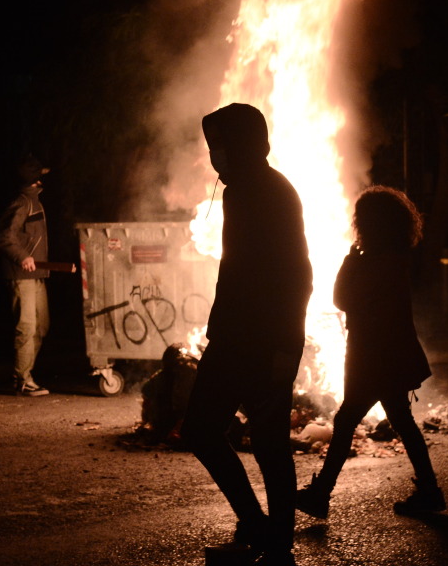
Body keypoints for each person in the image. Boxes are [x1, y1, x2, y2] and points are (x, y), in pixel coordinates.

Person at [181, 103, 312, 566]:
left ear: (239, 145)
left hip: (260, 341)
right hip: (235, 338)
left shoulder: (268, 193)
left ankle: (274, 540)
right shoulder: (243, 191)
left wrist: (284, 346)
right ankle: (262, 530)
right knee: (207, 431)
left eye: (219, 145)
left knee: (267, 445)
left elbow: (297, 274)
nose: (214, 155)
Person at [295, 186, 444, 520]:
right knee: (401, 423)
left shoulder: (373, 262)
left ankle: (321, 494)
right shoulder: (394, 259)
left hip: (372, 357)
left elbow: (341, 299)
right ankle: (430, 491)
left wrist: (350, 259)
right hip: (388, 355)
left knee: (347, 420)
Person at [0, 154, 53, 396]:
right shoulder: (22, 203)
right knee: (27, 327)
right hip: (22, 275)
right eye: (40, 176)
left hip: (36, 275)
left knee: (41, 326)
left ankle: (25, 374)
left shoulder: (33, 202)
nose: (43, 180)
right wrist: (23, 257)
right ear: (34, 181)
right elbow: (4, 237)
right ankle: (22, 379)